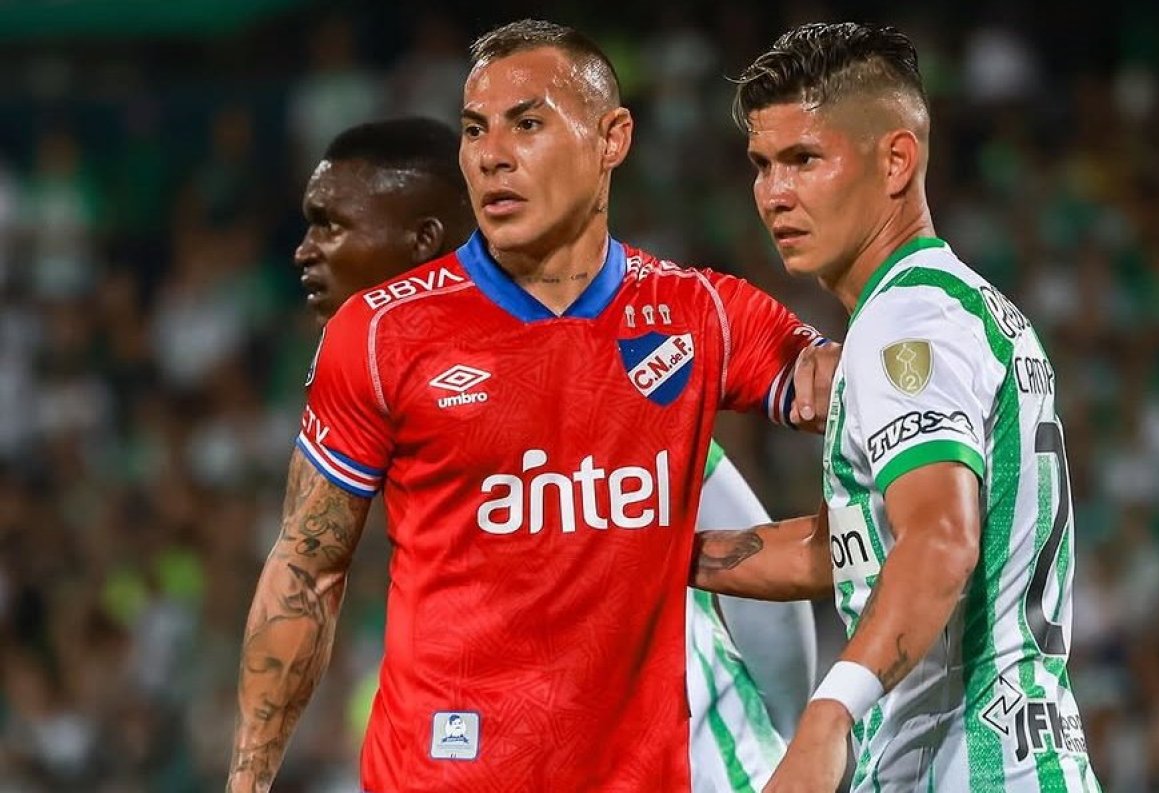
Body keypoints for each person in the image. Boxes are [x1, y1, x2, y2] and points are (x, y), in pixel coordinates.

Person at [227, 21, 836, 793]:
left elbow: (843, 386)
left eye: (527, 124)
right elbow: (305, 570)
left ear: (612, 138)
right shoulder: (379, 332)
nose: (492, 154)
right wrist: (247, 780)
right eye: (474, 130)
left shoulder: (698, 313)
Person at [691, 22, 1102, 792]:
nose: (775, 193)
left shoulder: (905, 323)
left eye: (804, 159)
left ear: (896, 161)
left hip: (973, 769)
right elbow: (849, 549)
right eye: (762, 165)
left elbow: (940, 539)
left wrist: (827, 716)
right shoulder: (952, 304)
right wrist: (663, 551)